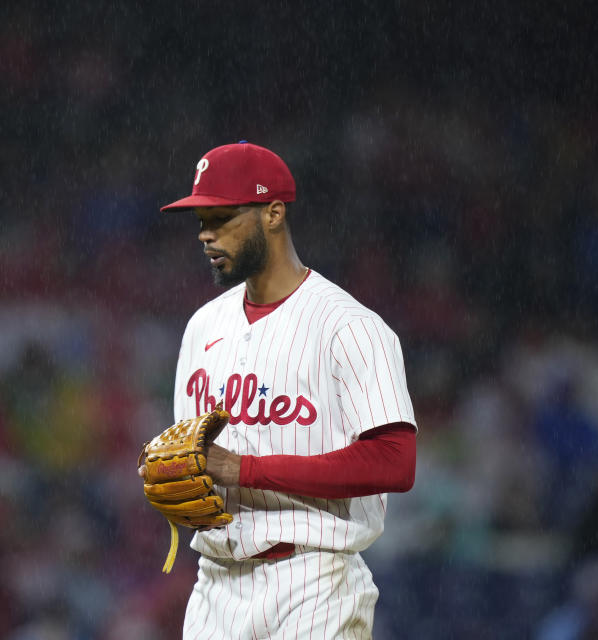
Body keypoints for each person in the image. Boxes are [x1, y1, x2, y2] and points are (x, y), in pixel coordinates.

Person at [157, 141, 417, 638]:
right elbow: (197, 458)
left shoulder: (349, 327)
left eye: (222, 218)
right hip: (215, 586)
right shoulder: (202, 326)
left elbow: (395, 462)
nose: (206, 236)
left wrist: (245, 469)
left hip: (314, 580)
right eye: (200, 222)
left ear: (273, 213)